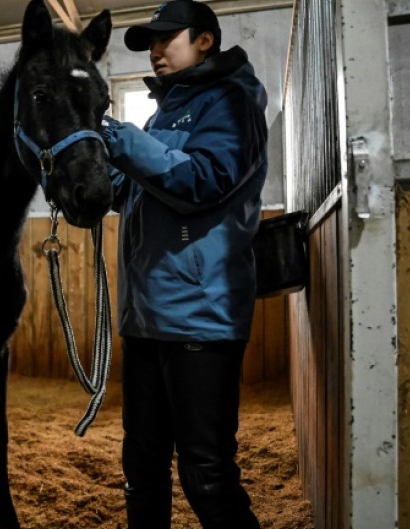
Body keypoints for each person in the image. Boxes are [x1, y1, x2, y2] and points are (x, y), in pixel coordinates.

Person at [99, 1, 268, 528]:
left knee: (206, 472)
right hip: (147, 318)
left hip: (200, 315)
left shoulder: (231, 101)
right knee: (142, 466)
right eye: (151, 42)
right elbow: (131, 189)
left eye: (167, 38)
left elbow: (205, 180)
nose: (155, 51)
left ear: (205, 41)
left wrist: (123, 140)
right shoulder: (162, 113)